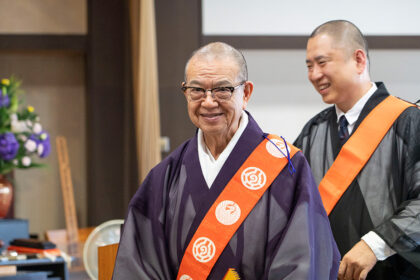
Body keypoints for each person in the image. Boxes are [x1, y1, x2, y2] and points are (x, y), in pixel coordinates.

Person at [113, 42, 340, 279]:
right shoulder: (164, 176)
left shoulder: (286, 169)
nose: (208, 102)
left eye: (223, 89)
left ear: (246, 93)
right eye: (197, 90)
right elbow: (137, 262)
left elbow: (305, 260)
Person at [295, 20, 420, 280]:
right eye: (309, 66)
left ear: (359, 60)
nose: (314, 74)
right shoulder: (312, 131)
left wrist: (377, 244)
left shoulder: (408, 121)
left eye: (322, 62)